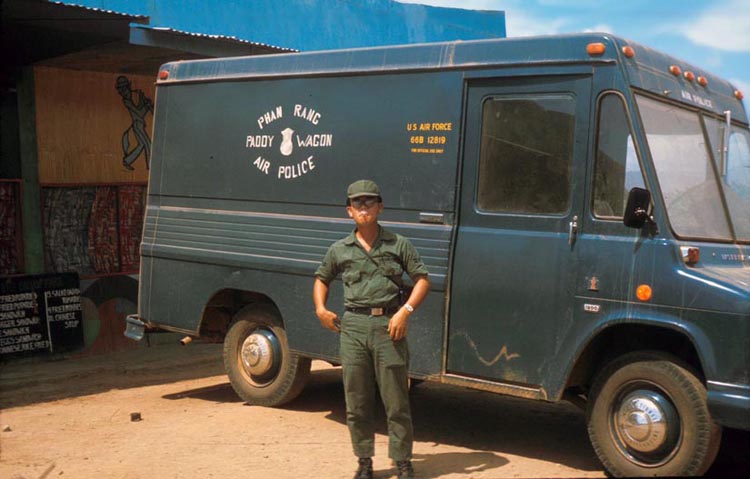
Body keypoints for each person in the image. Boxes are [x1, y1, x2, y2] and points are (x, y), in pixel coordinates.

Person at [313, 180, 430, 479]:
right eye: (358, 203)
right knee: (357, 400)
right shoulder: (340, 249)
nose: (364, 208)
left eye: (370, 202)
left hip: (388, 327)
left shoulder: (398, 244)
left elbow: (422, 280)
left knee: (396, 400)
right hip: (352, 327)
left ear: (380, 207)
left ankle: (403, 461)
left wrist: (405, 311)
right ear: (349, 211)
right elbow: (322, 278)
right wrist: (321, 309)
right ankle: (364, 461)